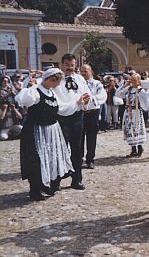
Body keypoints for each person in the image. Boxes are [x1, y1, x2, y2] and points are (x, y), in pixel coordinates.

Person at [15, 68, 79, 201]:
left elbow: (61, 109)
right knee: (36, 159)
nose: (58, 85)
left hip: (51, 131)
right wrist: (31, 86)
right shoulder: (36, 92)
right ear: (51, 79)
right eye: (57, 82)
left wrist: (77, 104)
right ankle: (35, 190)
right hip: (36, 131)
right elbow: (23, 100)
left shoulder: (51, 92)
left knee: (50, 158)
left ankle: (45, 184)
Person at [53, 54, 91, 191]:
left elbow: (87, 93)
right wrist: (74, 103)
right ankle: (56, 180)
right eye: (67, 65)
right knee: (60, 149)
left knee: (77, 149)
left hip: (77, 117)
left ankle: (77, 179)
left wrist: (87, 99)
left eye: (72, 65)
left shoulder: (79, 78)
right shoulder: (56, 78)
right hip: (62, 117)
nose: (70, 68)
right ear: (62, 64)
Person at [115, 73, 149, 157]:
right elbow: (118, 94)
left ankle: (140, 148)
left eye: (134, 80)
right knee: (129, 129)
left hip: (136, 112)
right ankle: (133, 149)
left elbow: (146, 102)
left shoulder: (141, 90)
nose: (132, 82)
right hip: (128, 112)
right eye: (131, 80)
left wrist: (144, 107)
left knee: (137, 129)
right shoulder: (128, 89)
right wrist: (124, 85)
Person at [80, 65, 107, 169]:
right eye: (81, 71)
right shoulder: (78, 83)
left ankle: (90, 159)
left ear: (91, 72)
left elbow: (102, 96)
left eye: (85, 71)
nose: (82, 73)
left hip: (92, 113)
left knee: (91, 137)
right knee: (79, 137)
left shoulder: (97, 83)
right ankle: (79, 158)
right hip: (81, 113)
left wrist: (90, 99)